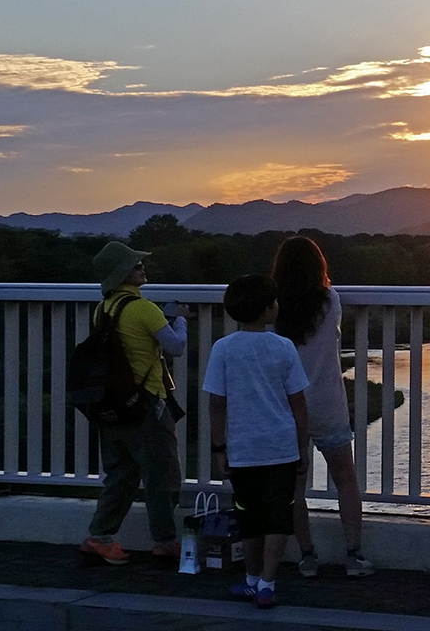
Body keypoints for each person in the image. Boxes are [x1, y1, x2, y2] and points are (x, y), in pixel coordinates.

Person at [204, 275, 310, 610]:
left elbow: (216, 403)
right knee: (278, 516)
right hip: (281, 447)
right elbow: (298, 403)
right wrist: (302, 447)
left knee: (249, 516)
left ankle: (250, 579)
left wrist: (219, 447)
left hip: (242, 449)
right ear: (268, 310)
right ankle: (267, 582)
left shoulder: (223, 349)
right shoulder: (284, 347)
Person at [79, 241, 188, 565]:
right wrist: (180, 319)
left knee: (121, 474)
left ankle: (99, 536)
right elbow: (176, 346)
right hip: (146, 402)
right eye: (136, 265)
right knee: (163, 474)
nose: (142, 268)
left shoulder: (103, 309)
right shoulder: (144, 308)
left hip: (112, 404)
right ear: (122, 273)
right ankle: (165, 541)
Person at [270, 236, 372, 578]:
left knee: (294, 486)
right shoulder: (330, 300)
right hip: (328, 402)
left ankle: (307, 556)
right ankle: (354, 554)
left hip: (287, 405)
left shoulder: (273, 307)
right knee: (345, 478)